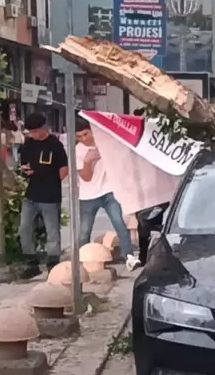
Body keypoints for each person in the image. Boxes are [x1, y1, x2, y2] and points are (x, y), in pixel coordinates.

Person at [74, 117, 135, 266]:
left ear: (92, 131)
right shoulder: (78, 150)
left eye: (86, 134)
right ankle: (82, 261)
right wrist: (89, 161)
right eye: (79, 136)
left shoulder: (104, 143)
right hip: (87, 195)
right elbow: (86, 177)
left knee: (119, 223)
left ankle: (129, 256)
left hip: (108, 191)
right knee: (84, 230)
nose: (83, 139)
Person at [18, 112, 68, 278]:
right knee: (24, 228)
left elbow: (64, 169)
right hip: (31, 193)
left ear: (43, 129)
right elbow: (23, 163)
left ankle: (53, 264)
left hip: (50, 195)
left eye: (34, 131)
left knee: (52, 231)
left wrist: (51, 181)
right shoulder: (29, 144)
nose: (32, 135)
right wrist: (26, 171)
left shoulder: (55, 145)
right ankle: (31, 263)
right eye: (30, 132)